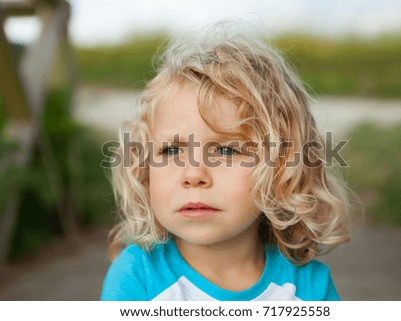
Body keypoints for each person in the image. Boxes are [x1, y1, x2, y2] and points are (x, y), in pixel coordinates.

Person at [101, 22, 350, 301]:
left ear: (282, 165)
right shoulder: (137, 276)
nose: (194, 174)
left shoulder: (309, 288)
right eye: (171, 151)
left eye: (227, 150)